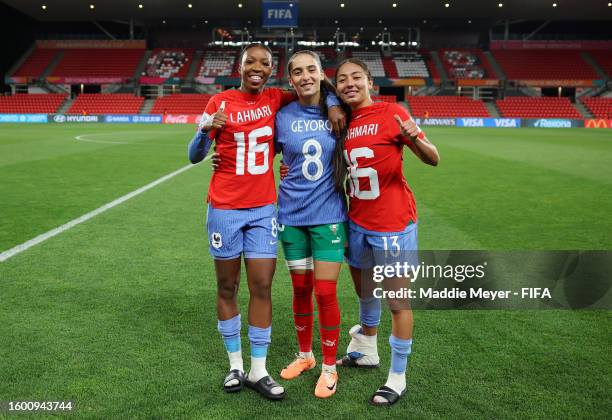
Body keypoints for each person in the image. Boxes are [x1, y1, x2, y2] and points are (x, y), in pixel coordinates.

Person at [187, 43, 345, 401]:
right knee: (227, 287)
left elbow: (318, 87)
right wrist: (205, 130)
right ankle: (235, 365)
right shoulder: (220, 102)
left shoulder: (276, 98)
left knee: (262, 286)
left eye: (265, 63)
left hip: (262, 210)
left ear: (272, 70)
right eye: (251, 62)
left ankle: (258, 370)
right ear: (239, 66)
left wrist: (334, 104)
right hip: (224, 209)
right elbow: (195, 155)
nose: (257, 68)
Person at [333, 58, 439, 406]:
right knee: (365, 291)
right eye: (343, 80)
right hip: (358, 219)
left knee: (397, 301)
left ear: (369, 82)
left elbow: (433, 158)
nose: (350, 83)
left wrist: (415, 139)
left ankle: (397, 376)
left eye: (356, 77)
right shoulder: (342, 120)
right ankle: (367, 349)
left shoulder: (392, 112)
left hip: (392, 223)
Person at [274, 51, 348, 398]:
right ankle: (306, 355)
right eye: (297, 72)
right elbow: (260, 152)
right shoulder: (282, 115)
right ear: (290, 79)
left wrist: (332, 100)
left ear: (321, 73)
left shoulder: (338, 111)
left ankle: (330, 366)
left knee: (325, 291)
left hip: (329, 217)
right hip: (290, 218)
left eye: (311, 69)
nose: (305, 76)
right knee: (300, 290)